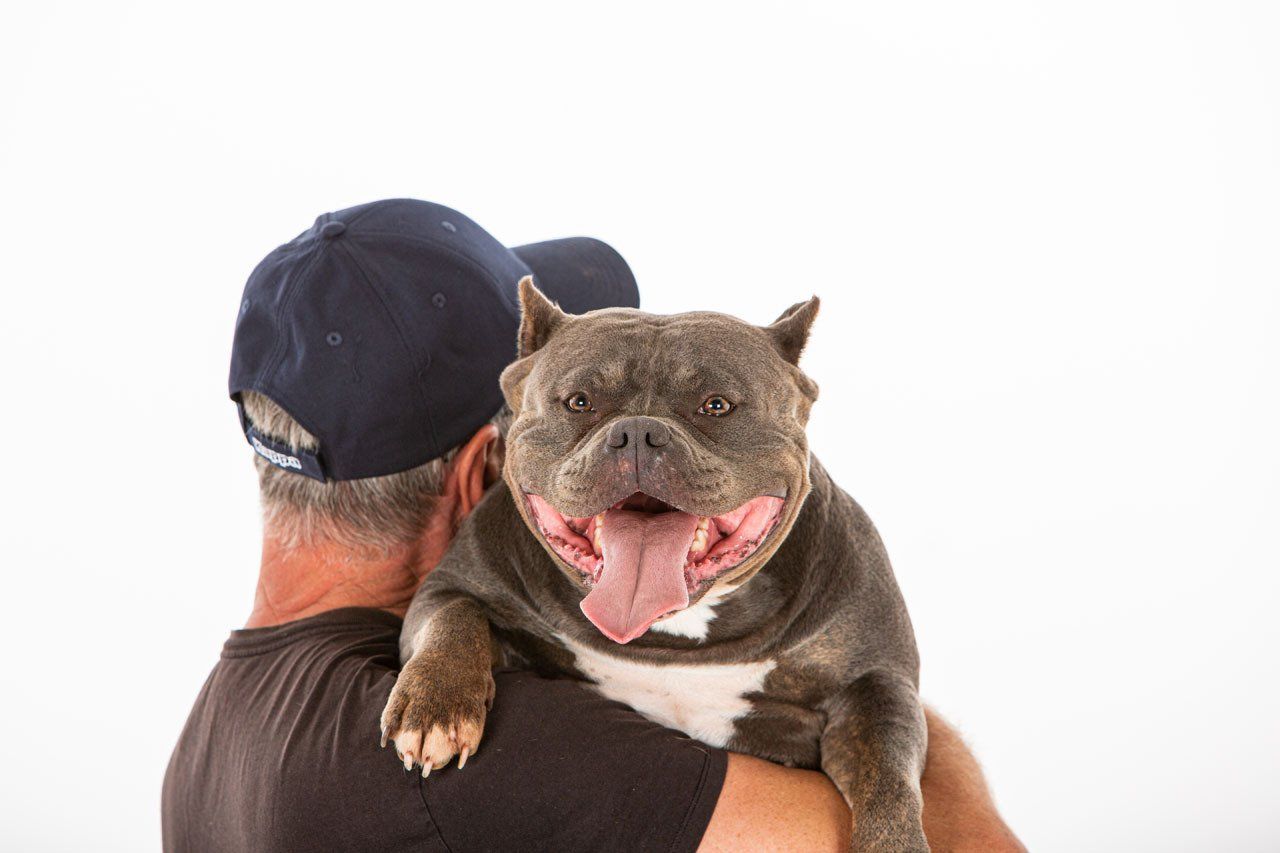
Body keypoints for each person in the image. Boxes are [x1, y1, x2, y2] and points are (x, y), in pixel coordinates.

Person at [162, 199, 1025, 852]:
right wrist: (861, 678)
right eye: (577, 406)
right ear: (487, 468)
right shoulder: (494, 749)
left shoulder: (208, 742)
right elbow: (969, 844)